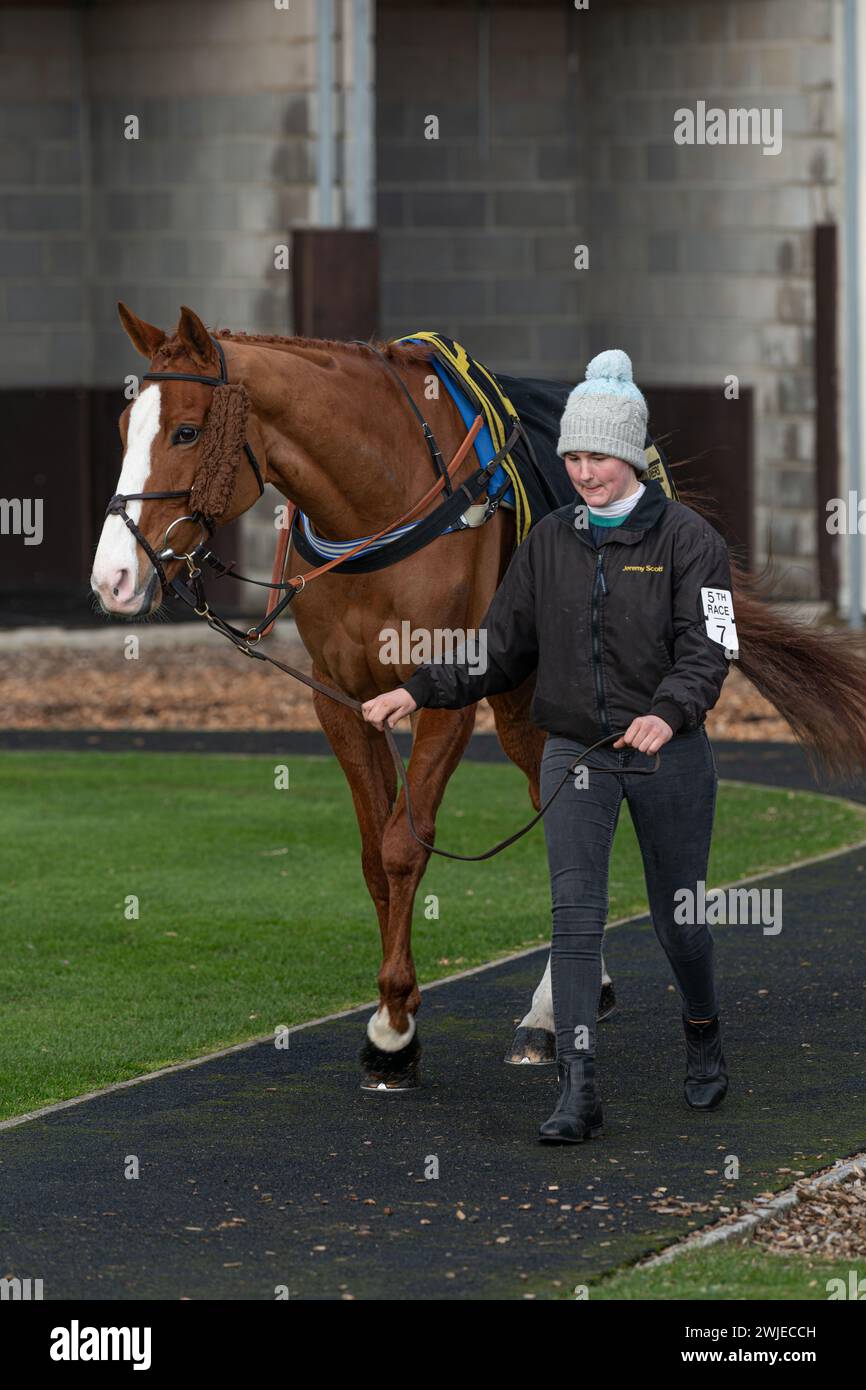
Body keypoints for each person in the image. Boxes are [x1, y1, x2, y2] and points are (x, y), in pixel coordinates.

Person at [361, 349, 735, 1145]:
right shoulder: (548, 543)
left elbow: (711, 650)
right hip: (578, 755)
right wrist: (417, 690)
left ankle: (701, 1030)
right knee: (574, 918)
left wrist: (668, 715)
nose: (581, 471)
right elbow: (497, 648)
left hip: (670, 755)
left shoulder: (692, 541)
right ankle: (579, 1086)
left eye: (596, 456)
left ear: (630, 454)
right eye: (570, 456)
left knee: (681, 922)